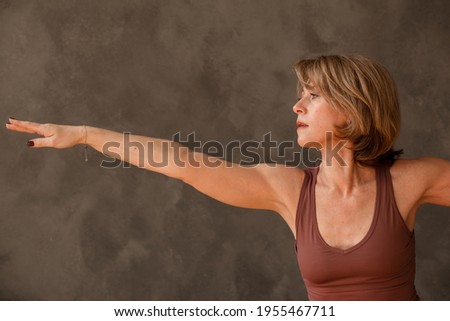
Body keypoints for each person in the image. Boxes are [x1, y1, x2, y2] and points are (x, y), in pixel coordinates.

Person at [6, 55, 450, 300]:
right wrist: (84, 134)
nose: (296, 107)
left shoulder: (412, 180)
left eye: (313, 96)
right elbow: (181, 162)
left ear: (354, 108)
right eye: (299, 97)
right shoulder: (289, 189)